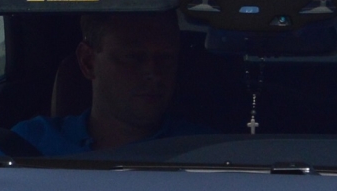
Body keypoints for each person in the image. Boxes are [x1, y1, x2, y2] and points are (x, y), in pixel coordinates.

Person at [13, 12, 199, 156]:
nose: (154, 74)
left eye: (165, 58)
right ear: (88, 62)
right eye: (133, 57)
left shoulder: (206, 149)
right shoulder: (29, 142)